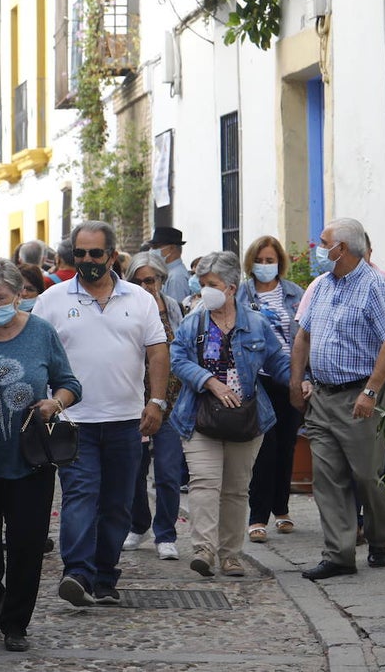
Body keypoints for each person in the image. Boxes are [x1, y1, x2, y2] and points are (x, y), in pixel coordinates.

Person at [32, 221, 168, 606]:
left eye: (95, 253)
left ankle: (105, 576)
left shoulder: (140, 300)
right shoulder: (53, 299)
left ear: (112, 255)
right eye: (80, 253)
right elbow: (38, 353)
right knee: (80, 494)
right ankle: (76, 572)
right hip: (73, 423)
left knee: (117, 502)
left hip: (127, 421)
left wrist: (156, 402)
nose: (87, 261)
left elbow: (157, 351)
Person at [0, 258, 80, 653]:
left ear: (19, 296)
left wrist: (54, 403)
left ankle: (16, 622)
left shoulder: (41, 333)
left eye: (2, 297)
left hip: (29, 460)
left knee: (27, 544)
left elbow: (69, 383)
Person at [290, 218, 385, 580]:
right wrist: (297, 380)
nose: (319, 249)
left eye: (325, 243)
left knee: (367, 476)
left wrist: (371, 392)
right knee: (327, 477)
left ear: (344, 249)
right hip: (322, 395)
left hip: (359, 397)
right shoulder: (321, 285)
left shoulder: (375, 287)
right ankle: (338, 554)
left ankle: (380, 536)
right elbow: (303, 336)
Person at [170, 251, 290, 577]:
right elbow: (177, 359)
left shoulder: (256, 323)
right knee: (205, 482)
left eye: (213, 284)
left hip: (246, 417)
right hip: (199, 414)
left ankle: (231, 554)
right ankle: (204, 550)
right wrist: (209, 382)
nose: (206, 290)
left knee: (236, 489)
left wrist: (301, 381)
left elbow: (277, 362)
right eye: (203, 283)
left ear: (232, 288)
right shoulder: (195, 321)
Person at [235, 236, 306, 543]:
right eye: (260, 261)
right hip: (257, 376)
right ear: (251, 263)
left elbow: (305, 335)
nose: (265, 266)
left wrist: (305, 376)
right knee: (266, 446)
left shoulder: (295, 294)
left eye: (270, 260)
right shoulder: (242, 293)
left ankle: (282, 508)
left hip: (289, 375)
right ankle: (257, 516)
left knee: (288, 443)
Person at [122, 252, 185, 561]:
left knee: (168, 473)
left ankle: (166, 533)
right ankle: (139, 524)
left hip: (171, 404)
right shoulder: (126, 310)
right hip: (133, 403)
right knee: (133, 471)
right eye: (138, 280)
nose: (145, 286)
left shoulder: (175, 310)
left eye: (151, 280)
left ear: (162, 280)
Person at [148, 226, 192, 305]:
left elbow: (175, 311)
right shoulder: (169, 273)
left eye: (156, 247)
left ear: (172, 248)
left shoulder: (176, 277)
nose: (152, 251)